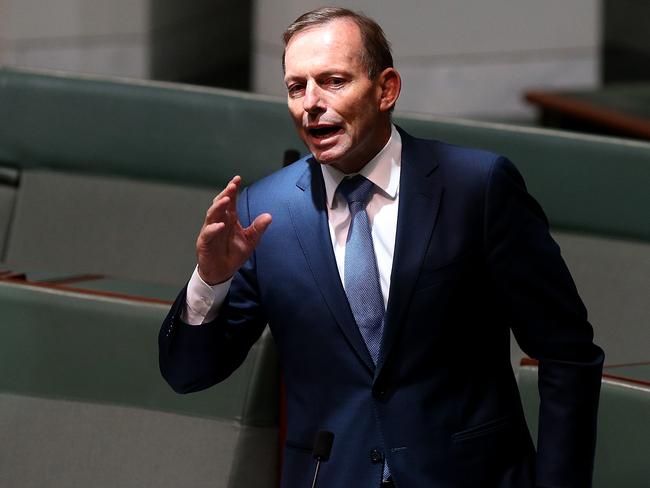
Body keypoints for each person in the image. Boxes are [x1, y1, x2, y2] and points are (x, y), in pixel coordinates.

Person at [159, 7, 604, 488]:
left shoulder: (476, 188)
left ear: (386, 89)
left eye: (332, 81)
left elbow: (569, 354)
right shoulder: (263, 213)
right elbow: (188, 374)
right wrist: (210, 279)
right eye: (296, 87)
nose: (311, 102)